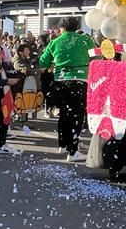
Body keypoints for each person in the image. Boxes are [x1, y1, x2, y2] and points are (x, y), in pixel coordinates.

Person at [37, 17, 95, 162]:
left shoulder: (55, 42)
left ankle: (63, 144)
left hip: (60, 80)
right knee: (77, 115)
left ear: (61, 28)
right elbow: (95, 56)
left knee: (64, 112)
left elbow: (43, 61)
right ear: (76, 27)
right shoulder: (85, 40)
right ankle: (73, 151)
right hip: (80, 80)